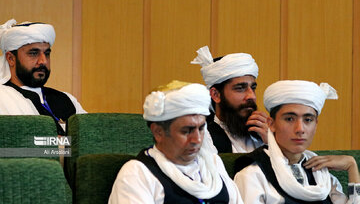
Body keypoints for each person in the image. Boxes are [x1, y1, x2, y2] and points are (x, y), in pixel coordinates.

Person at [108, 80, 243, 204]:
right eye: (186, 131)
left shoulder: (213, 163)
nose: (197, 139)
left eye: (201, 128)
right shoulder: (137, 174)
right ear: (158, 132)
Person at [234, 80, 360, 203]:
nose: (300, 129)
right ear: (271, 124)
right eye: (289, 119)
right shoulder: (252, 176)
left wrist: (352, 166)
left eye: (308, 120)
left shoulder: (323, 177)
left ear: (316, 125)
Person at [0, 19, 86, 135]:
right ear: (11, 58)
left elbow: (91, 141)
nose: (43, 61)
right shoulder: (3, 98)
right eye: (34, 53)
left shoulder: (67, 99)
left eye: (47, 53)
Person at [191, 46, 268, 153]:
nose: (252, 96)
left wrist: (273, 144)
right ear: (215, 95)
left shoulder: (264, 135)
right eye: (240, 88)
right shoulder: (204, 139)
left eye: (253, 88)